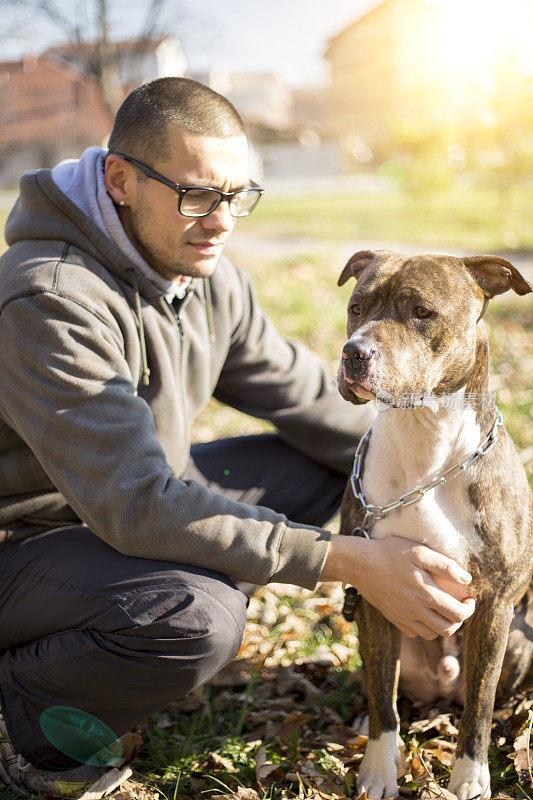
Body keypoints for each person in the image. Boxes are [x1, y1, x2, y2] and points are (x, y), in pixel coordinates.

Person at [0, 77, 475, 798]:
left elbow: (318, 404)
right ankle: (27, 714)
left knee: (344, 460)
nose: (221, 220)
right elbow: (137, 506)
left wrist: (466, 500)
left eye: (237, 194)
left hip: (117, 508)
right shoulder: (49, 299)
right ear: (120, 180)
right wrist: (352, 562)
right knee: (196, 616)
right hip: (26, 545)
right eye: (197, 195)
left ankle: (138, 618)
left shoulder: (203, 272)